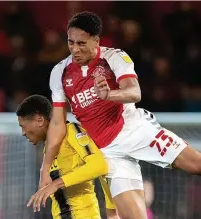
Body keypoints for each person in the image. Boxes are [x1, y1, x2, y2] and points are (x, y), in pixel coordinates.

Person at [33, 11, 201, 219]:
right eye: (70, 43)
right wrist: (45, 169)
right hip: (109, 153)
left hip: (136, 131)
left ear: (96, 40)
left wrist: (109, 94)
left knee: (197, 165)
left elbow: (135, 92)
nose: (75, 49)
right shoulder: (60, 72)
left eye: (81, 43)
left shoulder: (114, 57)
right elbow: (58, 122)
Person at [16, 95, 119, 219]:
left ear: (39, 120)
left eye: (23, 126)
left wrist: (55, 184)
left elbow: (100, 165)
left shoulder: (71, 131)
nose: (23, 133)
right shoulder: (48, 150)